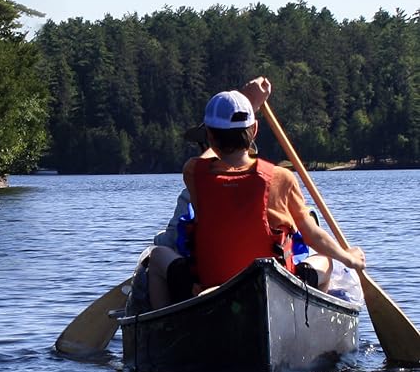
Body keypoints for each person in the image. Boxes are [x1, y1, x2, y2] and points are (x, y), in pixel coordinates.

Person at [148, 82, 366, 308]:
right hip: (275, 288)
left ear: (210, 137)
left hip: (209, 285)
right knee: (325, 262)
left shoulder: (193, 172)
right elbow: (311, 235)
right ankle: (304, 318)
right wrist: (347, 257)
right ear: (254, 130)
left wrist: (250, 102)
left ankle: (164, 323)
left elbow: (209, 156)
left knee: (156, 257)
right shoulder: (281, 178)